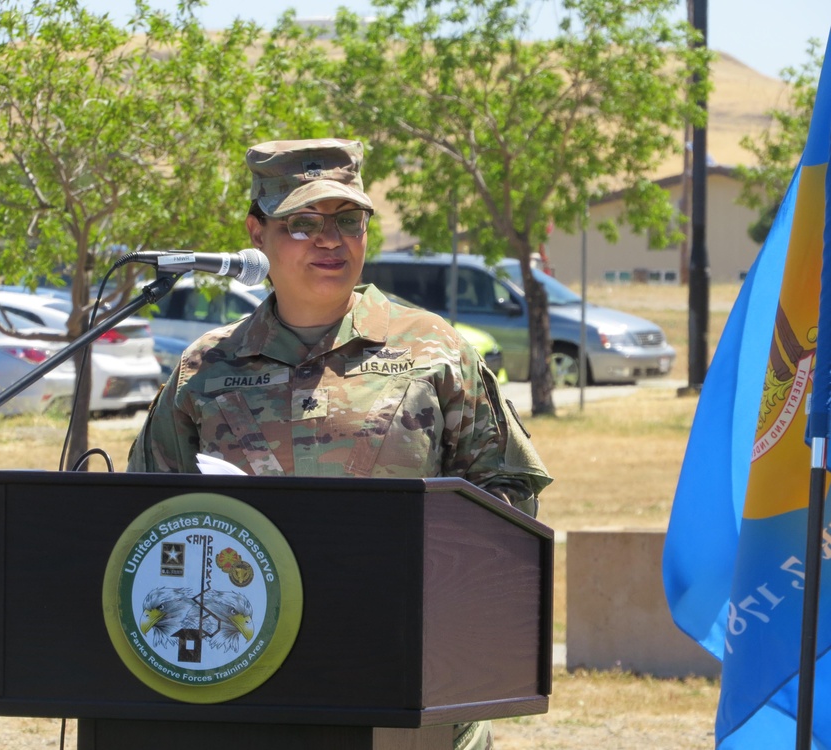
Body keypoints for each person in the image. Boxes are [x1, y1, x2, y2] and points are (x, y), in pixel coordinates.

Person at [128, 137, 552, 750]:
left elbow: (508, 494)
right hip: (244, 673)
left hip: (409, 671)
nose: (330, 241)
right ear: (257, 232)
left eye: (347, 221)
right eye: (302, 223)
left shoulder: (432, 349)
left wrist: (438, 582)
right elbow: (145, 510)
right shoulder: (207, 367)